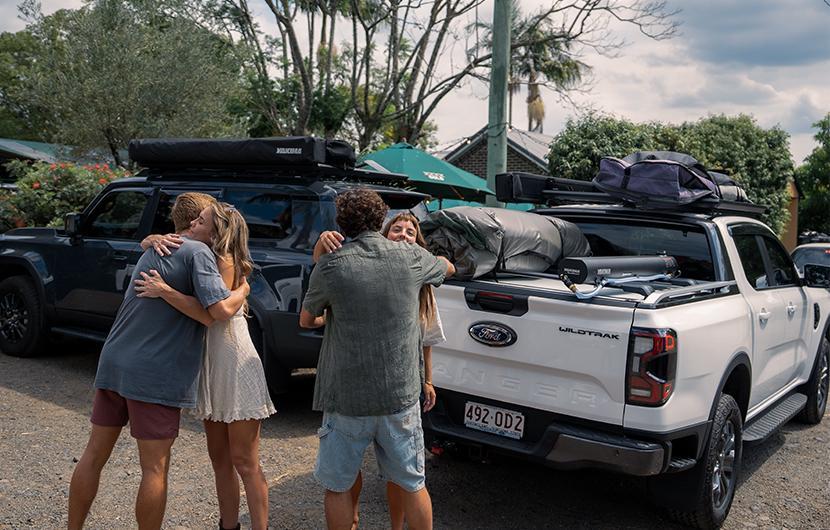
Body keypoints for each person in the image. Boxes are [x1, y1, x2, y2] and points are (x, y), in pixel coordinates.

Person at [67, 193, 250, 530]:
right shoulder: (199, 254)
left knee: (93, 455)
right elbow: (216, 314)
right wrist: (243, 290)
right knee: (154, 468)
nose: (197, 225)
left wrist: (149, 242)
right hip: (153, 372)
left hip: (114, 359)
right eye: (200, 219)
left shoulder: (157, 247)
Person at [300, 189, 455, 530]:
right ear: (381, 220)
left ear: (343, 223)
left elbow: (307, 320)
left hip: (346, 397)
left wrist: (332, 315)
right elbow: (448, 267)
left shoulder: (331, 264)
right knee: (412, 483)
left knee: (338, 485)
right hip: (398, 395)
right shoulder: (409, 257)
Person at [135, 202, 276, 530]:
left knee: (245, 461)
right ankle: (229, 525)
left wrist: (165, 291)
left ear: (217, 232)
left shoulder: (223, 261)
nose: (192, 224)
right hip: (212, 365)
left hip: (234, 363)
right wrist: (151, 239)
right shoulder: (201, 254)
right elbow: (151, 243)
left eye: (200, 221)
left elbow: (213, 315)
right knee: (219, 459)